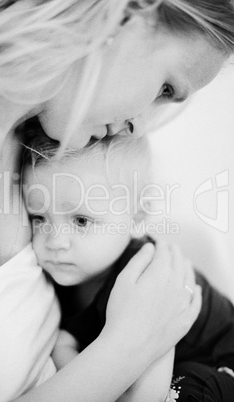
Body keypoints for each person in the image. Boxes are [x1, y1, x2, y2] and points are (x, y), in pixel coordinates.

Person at [0, 0, 234, 400]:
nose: (138, 125)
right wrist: (132, 343)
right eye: (166, 88)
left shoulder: (33, 144)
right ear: (128, 14)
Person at [22, 129, 234, 402]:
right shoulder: (67, 272)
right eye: (39, 217)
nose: (54, 240)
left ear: (136, 218)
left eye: (81, 221)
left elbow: (146, 394)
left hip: (220, 365)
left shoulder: (145, 276)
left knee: (189, 386)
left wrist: (67, 350)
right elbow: (69, 343)